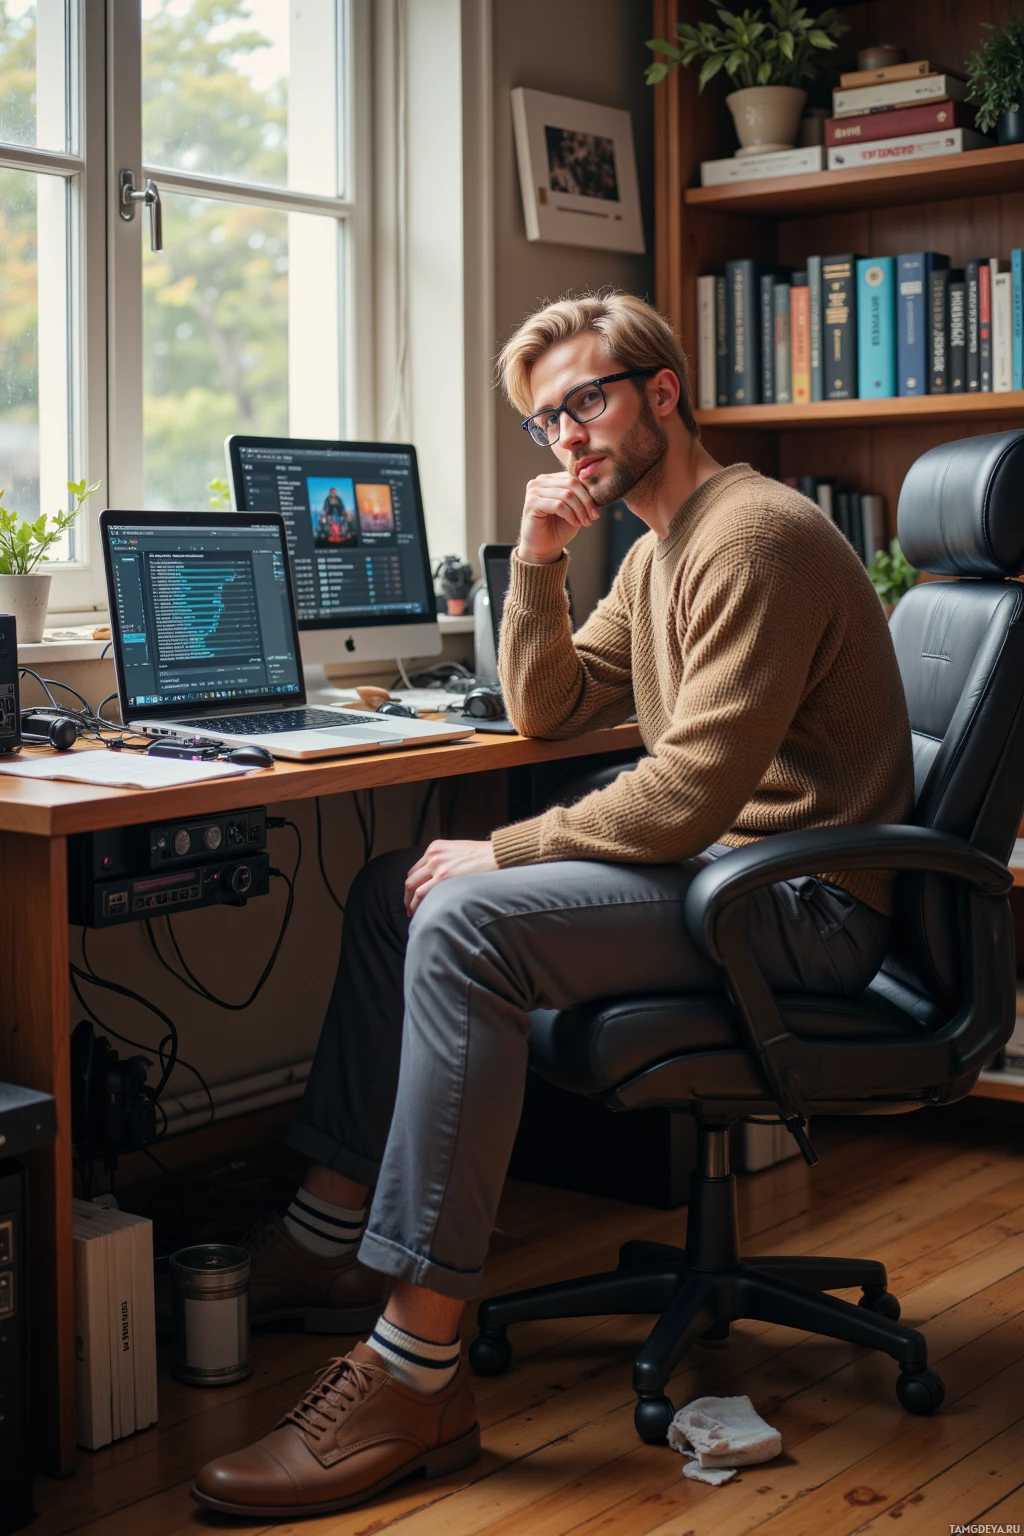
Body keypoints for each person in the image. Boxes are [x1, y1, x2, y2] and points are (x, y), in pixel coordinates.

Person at [193, 292, 913, 1518]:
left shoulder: (754, 538)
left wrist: (508, 849)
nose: (569, 436)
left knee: (464, 916)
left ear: (661, 391)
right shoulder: (653, 546)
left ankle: (416, 1373)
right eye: (545, 420)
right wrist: (533, 562)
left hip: (796, 904)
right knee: (391, 892)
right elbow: (548, 709)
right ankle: (323, 1238)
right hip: (720, 881)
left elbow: (685, 795)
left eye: (587, 400)